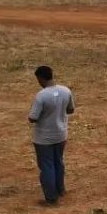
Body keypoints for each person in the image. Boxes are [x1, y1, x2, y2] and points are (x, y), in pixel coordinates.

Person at [28, 65, 75, 205]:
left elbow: (33, 118)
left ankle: (51, 197)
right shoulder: (65, 90)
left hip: (44, 138)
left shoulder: (41, 95)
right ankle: (60, 189)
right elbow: (70, 110)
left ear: (40, 78)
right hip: (61, 135)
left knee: (47, 165)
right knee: (58, 162)